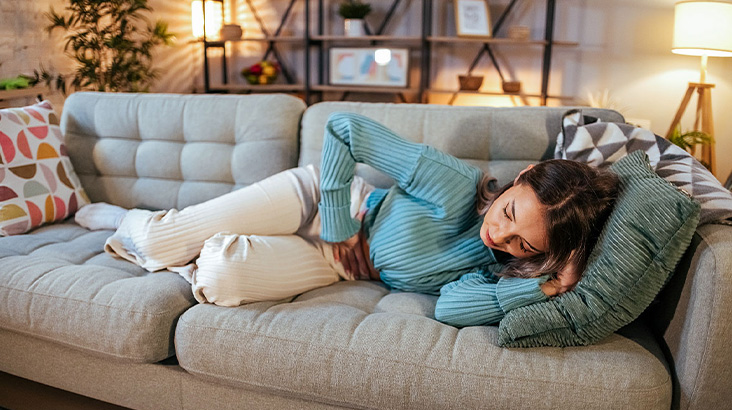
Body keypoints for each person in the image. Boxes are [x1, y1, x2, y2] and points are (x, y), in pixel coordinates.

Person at [75, 112, 619, 327]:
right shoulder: (452, 180)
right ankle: (133, 221)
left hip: (336, 266)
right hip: (320, 203)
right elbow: (343, 130)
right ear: (520, 178)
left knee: (220, 277)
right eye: (508, 213)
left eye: (525, 245)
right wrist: (337, 221)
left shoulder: (499, 269)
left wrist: (548, 287)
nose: (500, 236)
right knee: (164, 237)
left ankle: (190, 243)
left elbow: (452, 307)